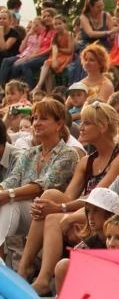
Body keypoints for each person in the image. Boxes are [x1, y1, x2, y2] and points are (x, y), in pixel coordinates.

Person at [18, 101, 119, 295]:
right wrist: (56, 204)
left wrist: (60, 209)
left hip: (106, 213)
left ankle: (43, 279)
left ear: (102, 126)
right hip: (85, 212)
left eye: (86, 123)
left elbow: (99, 198)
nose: (80, 127)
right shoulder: (86, 161)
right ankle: (24, 268)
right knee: (49, 195)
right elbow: (69, 196)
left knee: (54, 215)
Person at [0, 99, 79, 260]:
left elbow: (43, 186)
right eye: (34, 118)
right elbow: (11, 181)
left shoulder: (68, 154)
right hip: (27, 214)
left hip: (49, 215)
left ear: (59, 124)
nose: (36, 123)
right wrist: (3, 191)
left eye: (43, 118)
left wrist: (7, 194)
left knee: (10, 203)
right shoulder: (30, 153)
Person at [52, 187, 119, 294]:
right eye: (88, 211)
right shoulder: (92, 240)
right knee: (63, 265)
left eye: (96, 211)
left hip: (117, 289)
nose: (90, 217)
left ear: (110, 214)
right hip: (95, 289)